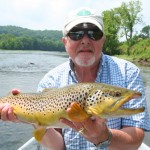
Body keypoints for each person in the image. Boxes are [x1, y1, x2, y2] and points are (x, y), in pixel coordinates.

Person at [0, 7, 150, 150]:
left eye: (93, 33)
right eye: (76, 34)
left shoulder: (128, 72)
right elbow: (57, 147)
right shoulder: (51, 79)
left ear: (103, 40)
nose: (85, 40)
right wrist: (33, 121)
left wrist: (104, 137)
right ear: (65, 42)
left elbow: (135, 141)